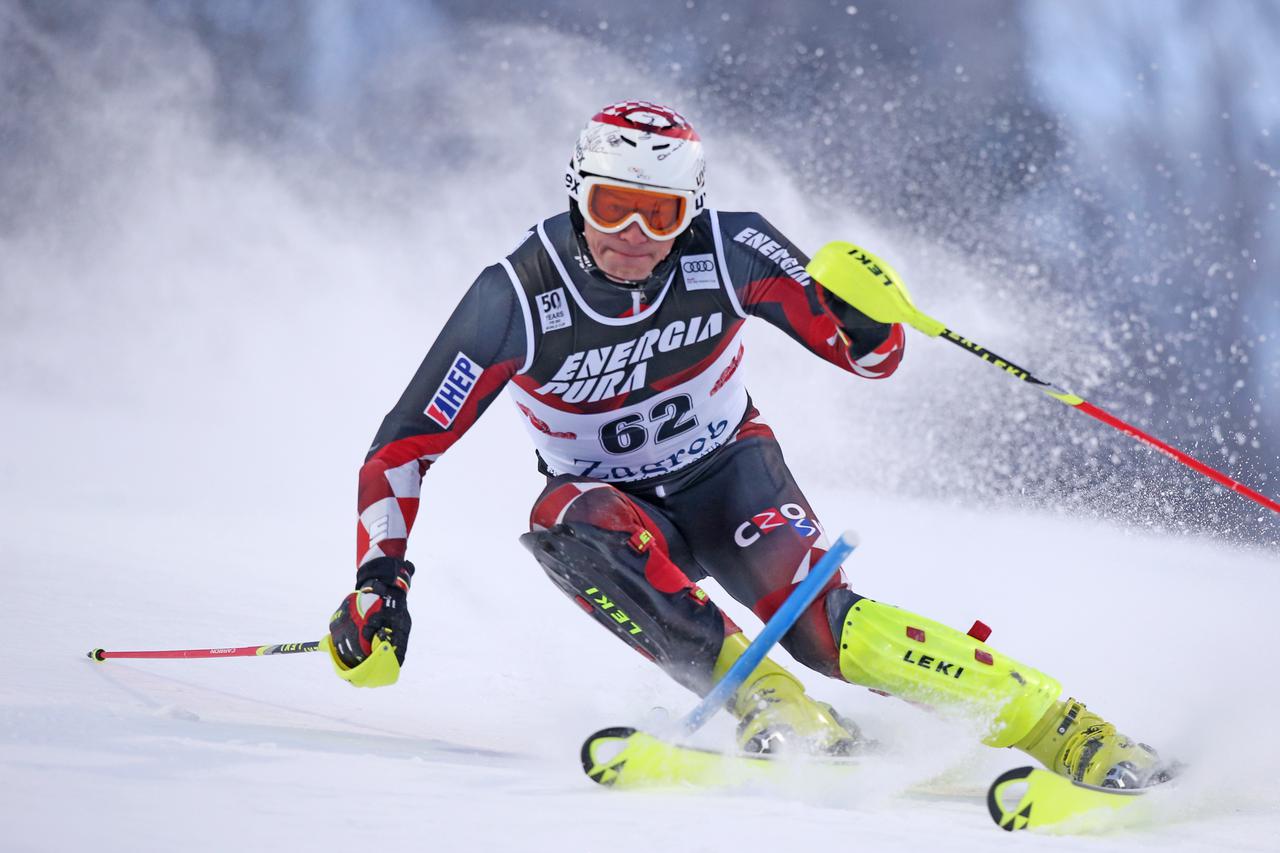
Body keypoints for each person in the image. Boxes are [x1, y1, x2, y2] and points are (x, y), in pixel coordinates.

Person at [324, 100, 1166, 788]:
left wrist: (867, 317)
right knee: (564, 521)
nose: (633, 234)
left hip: (731, 478)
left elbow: (870, 359)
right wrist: (378, 583)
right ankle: (772, 702)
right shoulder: (514, 296)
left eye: (660, 213)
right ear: (576, 194)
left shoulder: (732, 249)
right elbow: (402, 450)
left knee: (828, 631)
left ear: (690, 211)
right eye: (611, 205)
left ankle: (1064, 727)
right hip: (617, 509)